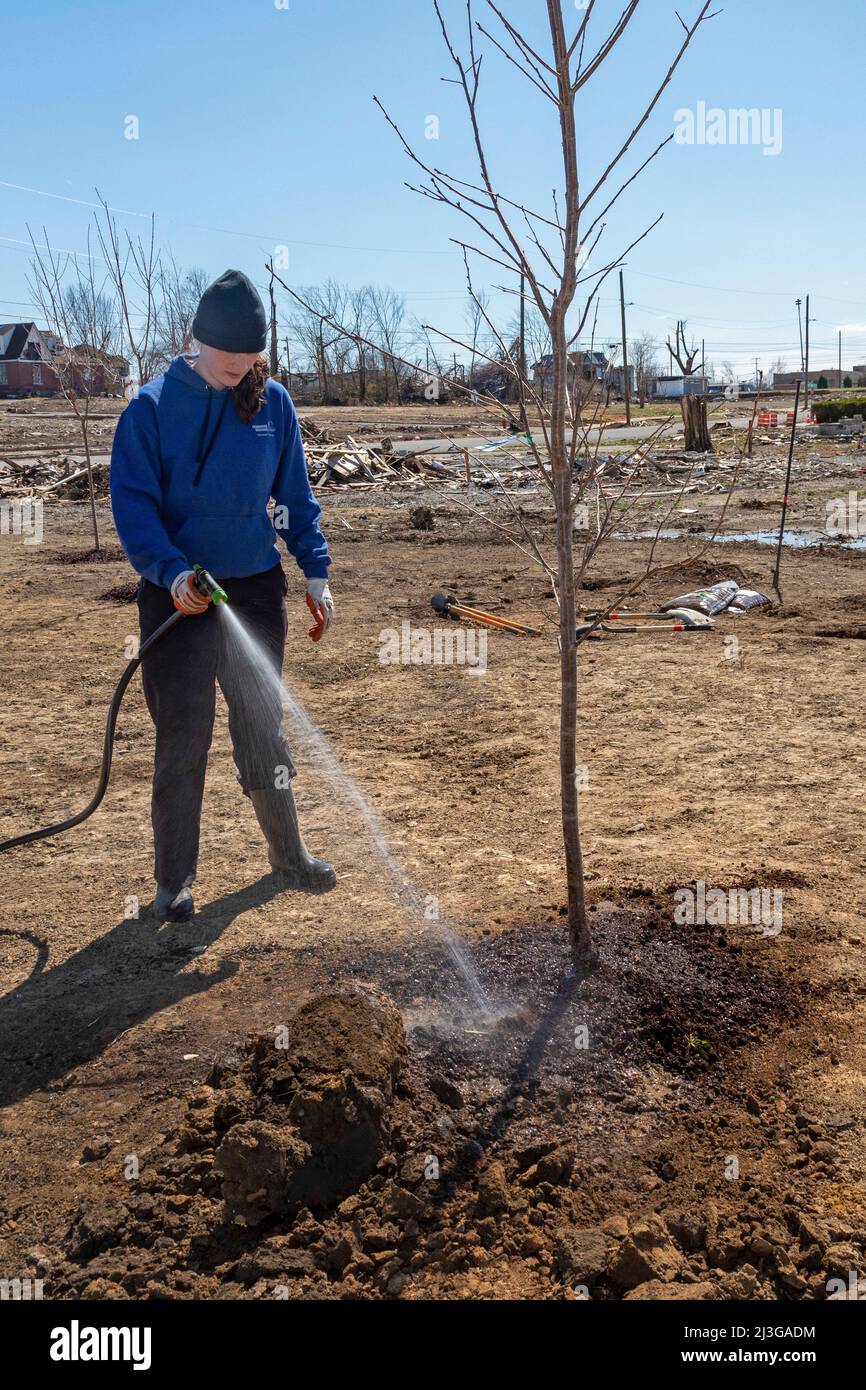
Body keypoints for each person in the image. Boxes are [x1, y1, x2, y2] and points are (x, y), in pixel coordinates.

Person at [110, 269, 336, 922]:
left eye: (250, 358)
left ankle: (289, 857)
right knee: (184, 734)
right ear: (196, 340)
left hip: (255, 590)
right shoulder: (151, 408)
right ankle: (173, 883)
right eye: (226, 357)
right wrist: (172, 573)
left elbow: (295, 498)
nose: (239, 368)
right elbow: (134, 503)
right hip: (179, 597)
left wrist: (315, 572)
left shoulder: (275, 406)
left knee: (263, 725)